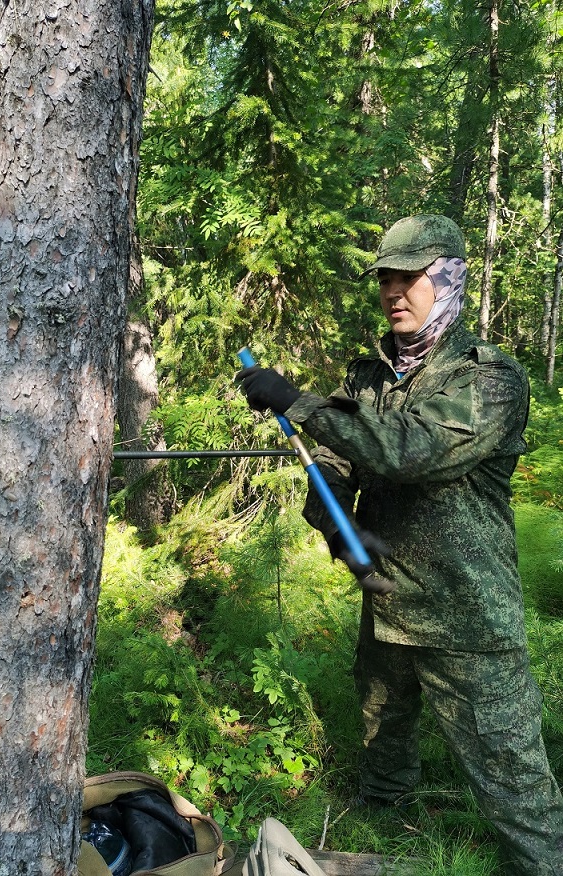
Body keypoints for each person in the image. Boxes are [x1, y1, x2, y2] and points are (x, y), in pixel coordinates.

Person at [236, 214, 563, 876]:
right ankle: (389, 838)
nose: (393, 291)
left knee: (515, 787)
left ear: (446, 279)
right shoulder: (368, 375)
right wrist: (333, 521)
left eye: (409, 277)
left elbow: (411, 452)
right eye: (386, 277)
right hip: (386, 603)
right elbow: (333, 462)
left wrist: (297, 402)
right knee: (383, 744)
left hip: (466, 615)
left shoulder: (488, 377)